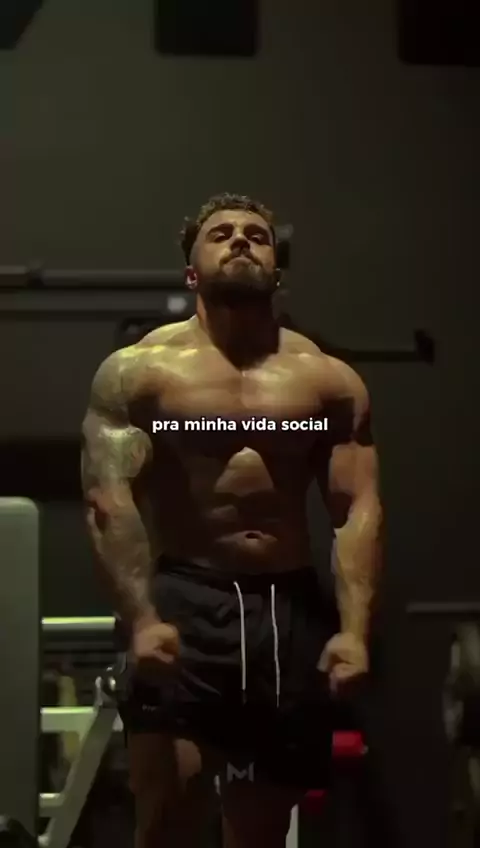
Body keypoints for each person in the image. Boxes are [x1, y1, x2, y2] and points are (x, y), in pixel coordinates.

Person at [81, 193, 383, 848]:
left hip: (285, 609)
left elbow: (355, 508)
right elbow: (109, 499)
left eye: (257, 235)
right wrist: (141, 617)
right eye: (221, 234)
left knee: (262, 830)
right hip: (185, 598)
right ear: (192, 270)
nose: (241, 240)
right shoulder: (140, 373)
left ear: (278, 271)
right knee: (168, 819)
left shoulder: (329, 381)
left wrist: (355, 630)